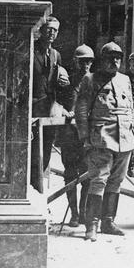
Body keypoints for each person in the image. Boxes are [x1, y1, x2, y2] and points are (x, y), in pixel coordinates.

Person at [74, 42, 134, 242]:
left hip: (125, 137)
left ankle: (108, 222)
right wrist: (84, 136)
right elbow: (81, 109)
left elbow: (130, 108)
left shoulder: (125, 79)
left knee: (117, 180)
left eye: (118, 57)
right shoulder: (90, 79)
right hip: (101, 136)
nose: (115, 61)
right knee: (99, 179)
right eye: (111, 57)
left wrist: (133, 132)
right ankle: (91, 225)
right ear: (103, 60)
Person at [56, 44, 95, 227]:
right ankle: (73, 214)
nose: (85, 65)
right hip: (69, 136)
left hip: (87, 136)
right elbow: (55, 101)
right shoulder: (66, 82)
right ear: (75, 61)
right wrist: (64, 110)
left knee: (87, 175)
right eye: (82, 61)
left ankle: (84, 212)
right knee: (70, 174)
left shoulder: (95, 84)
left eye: (88, 61)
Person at [31, 16, 70, 192]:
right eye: (48, 29)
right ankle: (30, 186)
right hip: (33, 107)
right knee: (32, 148)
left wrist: (63, 79)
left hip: (50, 108)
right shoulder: (30, 49)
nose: (52, 33)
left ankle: (39, 187)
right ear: (41, 30)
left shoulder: (56, 55)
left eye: (55, 30)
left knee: (46, 147)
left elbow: (58, 83)